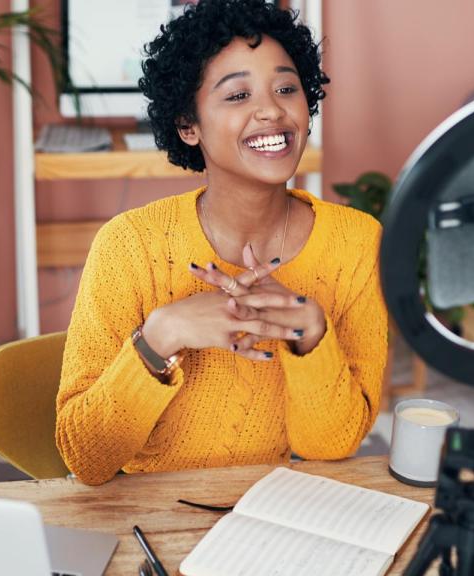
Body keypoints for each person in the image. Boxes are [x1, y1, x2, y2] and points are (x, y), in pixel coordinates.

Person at [55, 0, 387, 486]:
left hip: (267, 511)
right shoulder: (128, 246)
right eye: (237, 96)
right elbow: (86, 458)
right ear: (188, 126)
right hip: (148, 514)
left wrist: (311, 337)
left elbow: (330, 447)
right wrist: (161, 337)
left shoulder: (356, 241)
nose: (272, 110)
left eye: (287, 89)